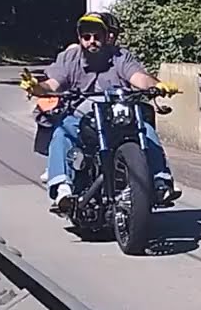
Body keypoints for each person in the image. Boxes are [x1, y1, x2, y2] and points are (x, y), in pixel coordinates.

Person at [20, 12, 181, 212]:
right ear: (80, 38)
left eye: (97, 36)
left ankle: (161, 182)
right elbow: (53, 84)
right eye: (86, 37)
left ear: (106, 37)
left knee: (145, 130)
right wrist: (36, 87)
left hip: (118, 114)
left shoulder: (120, 56)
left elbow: (138, 77)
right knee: (62, 131)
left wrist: (157, 85)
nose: (92, 41)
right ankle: (62, 189)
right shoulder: (70, 58)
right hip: (81, 115)